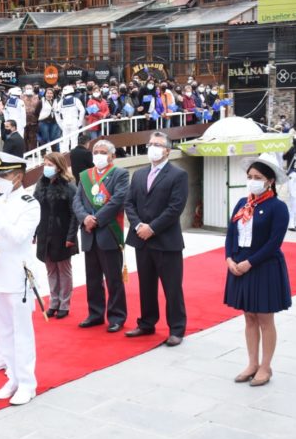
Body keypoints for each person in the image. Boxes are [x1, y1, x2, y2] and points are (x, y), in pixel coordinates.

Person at [225, 154, 291, 387]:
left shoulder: (277, 207)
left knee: (264, 318)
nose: (253, 181)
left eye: (258, 177)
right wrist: (229, 258)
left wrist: (250, 262)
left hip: (263, 266)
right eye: (250, 176)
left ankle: (266, 366)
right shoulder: (242, 204)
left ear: (270, 181)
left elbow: (274, 243)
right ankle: (252, 363)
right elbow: (231, 233)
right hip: (239, 264)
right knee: (249, 317)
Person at [0, 152, 40, 406]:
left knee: (21, 332)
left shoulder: (29, 204)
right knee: (4, 329)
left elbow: (17, 237)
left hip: (17, 276)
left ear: (17, 176)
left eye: (3, 174)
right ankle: (13, 378)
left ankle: (27, 383)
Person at [124, 132, 188, 346]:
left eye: (158, 145)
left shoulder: (178, 175)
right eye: (150, 144)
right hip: (141, 239)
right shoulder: (140, 174)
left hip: (166, 241)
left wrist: (152, 228)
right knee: (146, 285)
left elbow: (175, 208)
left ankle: (177, 329)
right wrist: (138, 225)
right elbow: (129, 203)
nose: (153, 147)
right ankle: (146, 323)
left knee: (172, 287)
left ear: (167, 150)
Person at [72, 140, 129, 331]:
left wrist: (96, 219)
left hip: (108, 232)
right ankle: (95, 314)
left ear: (111, 155)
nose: (98, 155)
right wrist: (85, 218)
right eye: (96, 151)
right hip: (89, 234)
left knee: (113, 279)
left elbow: (118, 200)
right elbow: (77, 201)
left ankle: (116, 317)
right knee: (92, 279)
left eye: (103, 152)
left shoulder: (120, 174)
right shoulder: (85, 176)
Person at [34, 152, 78, 319]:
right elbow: (35, 210)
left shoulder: (69, 186)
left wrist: (71, 237)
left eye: (50, 164)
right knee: (50, 269)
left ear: (59, 166)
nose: (47, 167)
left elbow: (75, 214)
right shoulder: (41, 184)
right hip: (45, 233)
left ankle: (64, 304)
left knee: (63, 269)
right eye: (45, 164)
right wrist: (35, 232)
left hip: (63, 234)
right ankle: (54, 301)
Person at [57, 85, 85, 152]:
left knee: (65, 140)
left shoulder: (60, 102)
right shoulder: (76, 100)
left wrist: (60, 123)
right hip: (74, 121)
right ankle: (73, 155)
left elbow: (57, 113)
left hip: (65, 122)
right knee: (74, 140)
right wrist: (80, 122)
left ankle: (65, 155)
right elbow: (82, 110)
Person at [21, 85, 41, 152]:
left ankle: (33, 152)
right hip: (23, 121)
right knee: (24, 137)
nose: (28, 89)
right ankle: (25, 152)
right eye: (27, 88)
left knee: (33, 137)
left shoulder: (37, 97)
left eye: (30, 88)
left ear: (32, 89)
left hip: (34, 121)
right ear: (24, 89)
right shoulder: (21, 97)